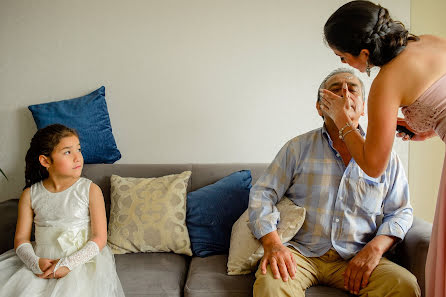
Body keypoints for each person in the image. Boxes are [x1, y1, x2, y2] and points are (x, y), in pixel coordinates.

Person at [248, 68, 420, 297]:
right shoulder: (297, 148)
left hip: (356, 257)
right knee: (271, 285)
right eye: (335, 90)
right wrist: (273, 244)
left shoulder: (385, 156)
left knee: (403, 285)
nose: (345, 94)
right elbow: (262, 194)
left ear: (363, 106)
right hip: (301, 254)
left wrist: (375, 249)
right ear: (320, 107)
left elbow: (400, 212)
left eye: (352, 89)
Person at [321, 2, 446, 297]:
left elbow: (373, 166)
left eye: (343, 56)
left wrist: (342, 120)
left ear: (364, 54)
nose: (346, 64)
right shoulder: (431, 42)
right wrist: (430, 125)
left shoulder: (386, 81)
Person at [0, 124, 125, 297]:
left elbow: (100, 238)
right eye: (67, 152)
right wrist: (34, 263)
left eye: (78, 150)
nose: (78, 158)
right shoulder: (30, 194)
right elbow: (21, 238)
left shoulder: (90, 189)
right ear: (45, 161)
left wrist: (67, 264)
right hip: (41, 261)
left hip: (80, 262)